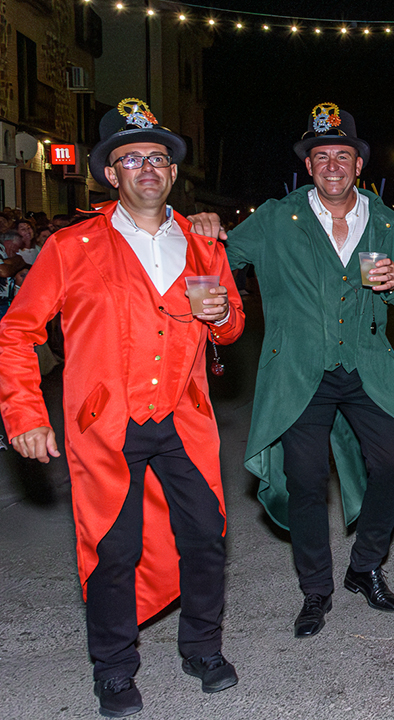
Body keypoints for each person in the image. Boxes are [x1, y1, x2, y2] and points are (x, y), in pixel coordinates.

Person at [0, 98, 245, 717]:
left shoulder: (200, 241)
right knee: (114, 548)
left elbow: (232, 325)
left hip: (184, 418)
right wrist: (26, 415)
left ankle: (203, 649)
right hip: (104, 423)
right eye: (130, 158)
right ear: (110, 173)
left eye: (157, 158)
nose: (146, 169)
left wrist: (221, 320)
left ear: (171, 171)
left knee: (205, 537)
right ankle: (113, 668)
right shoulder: (70, 246)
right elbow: (17, 330)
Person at [189, 102, 394, 638]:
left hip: (366, 366)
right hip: (297, 370)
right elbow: (220, 256)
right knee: (306, 481)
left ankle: (365, 568)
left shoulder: (385, 221)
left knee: (392, 467)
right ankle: (315, 590)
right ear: (310, 165)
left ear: (359, 165)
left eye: (343, 155)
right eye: (322, 156)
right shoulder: (276, 216)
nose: (333, 165)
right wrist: (201, 229)